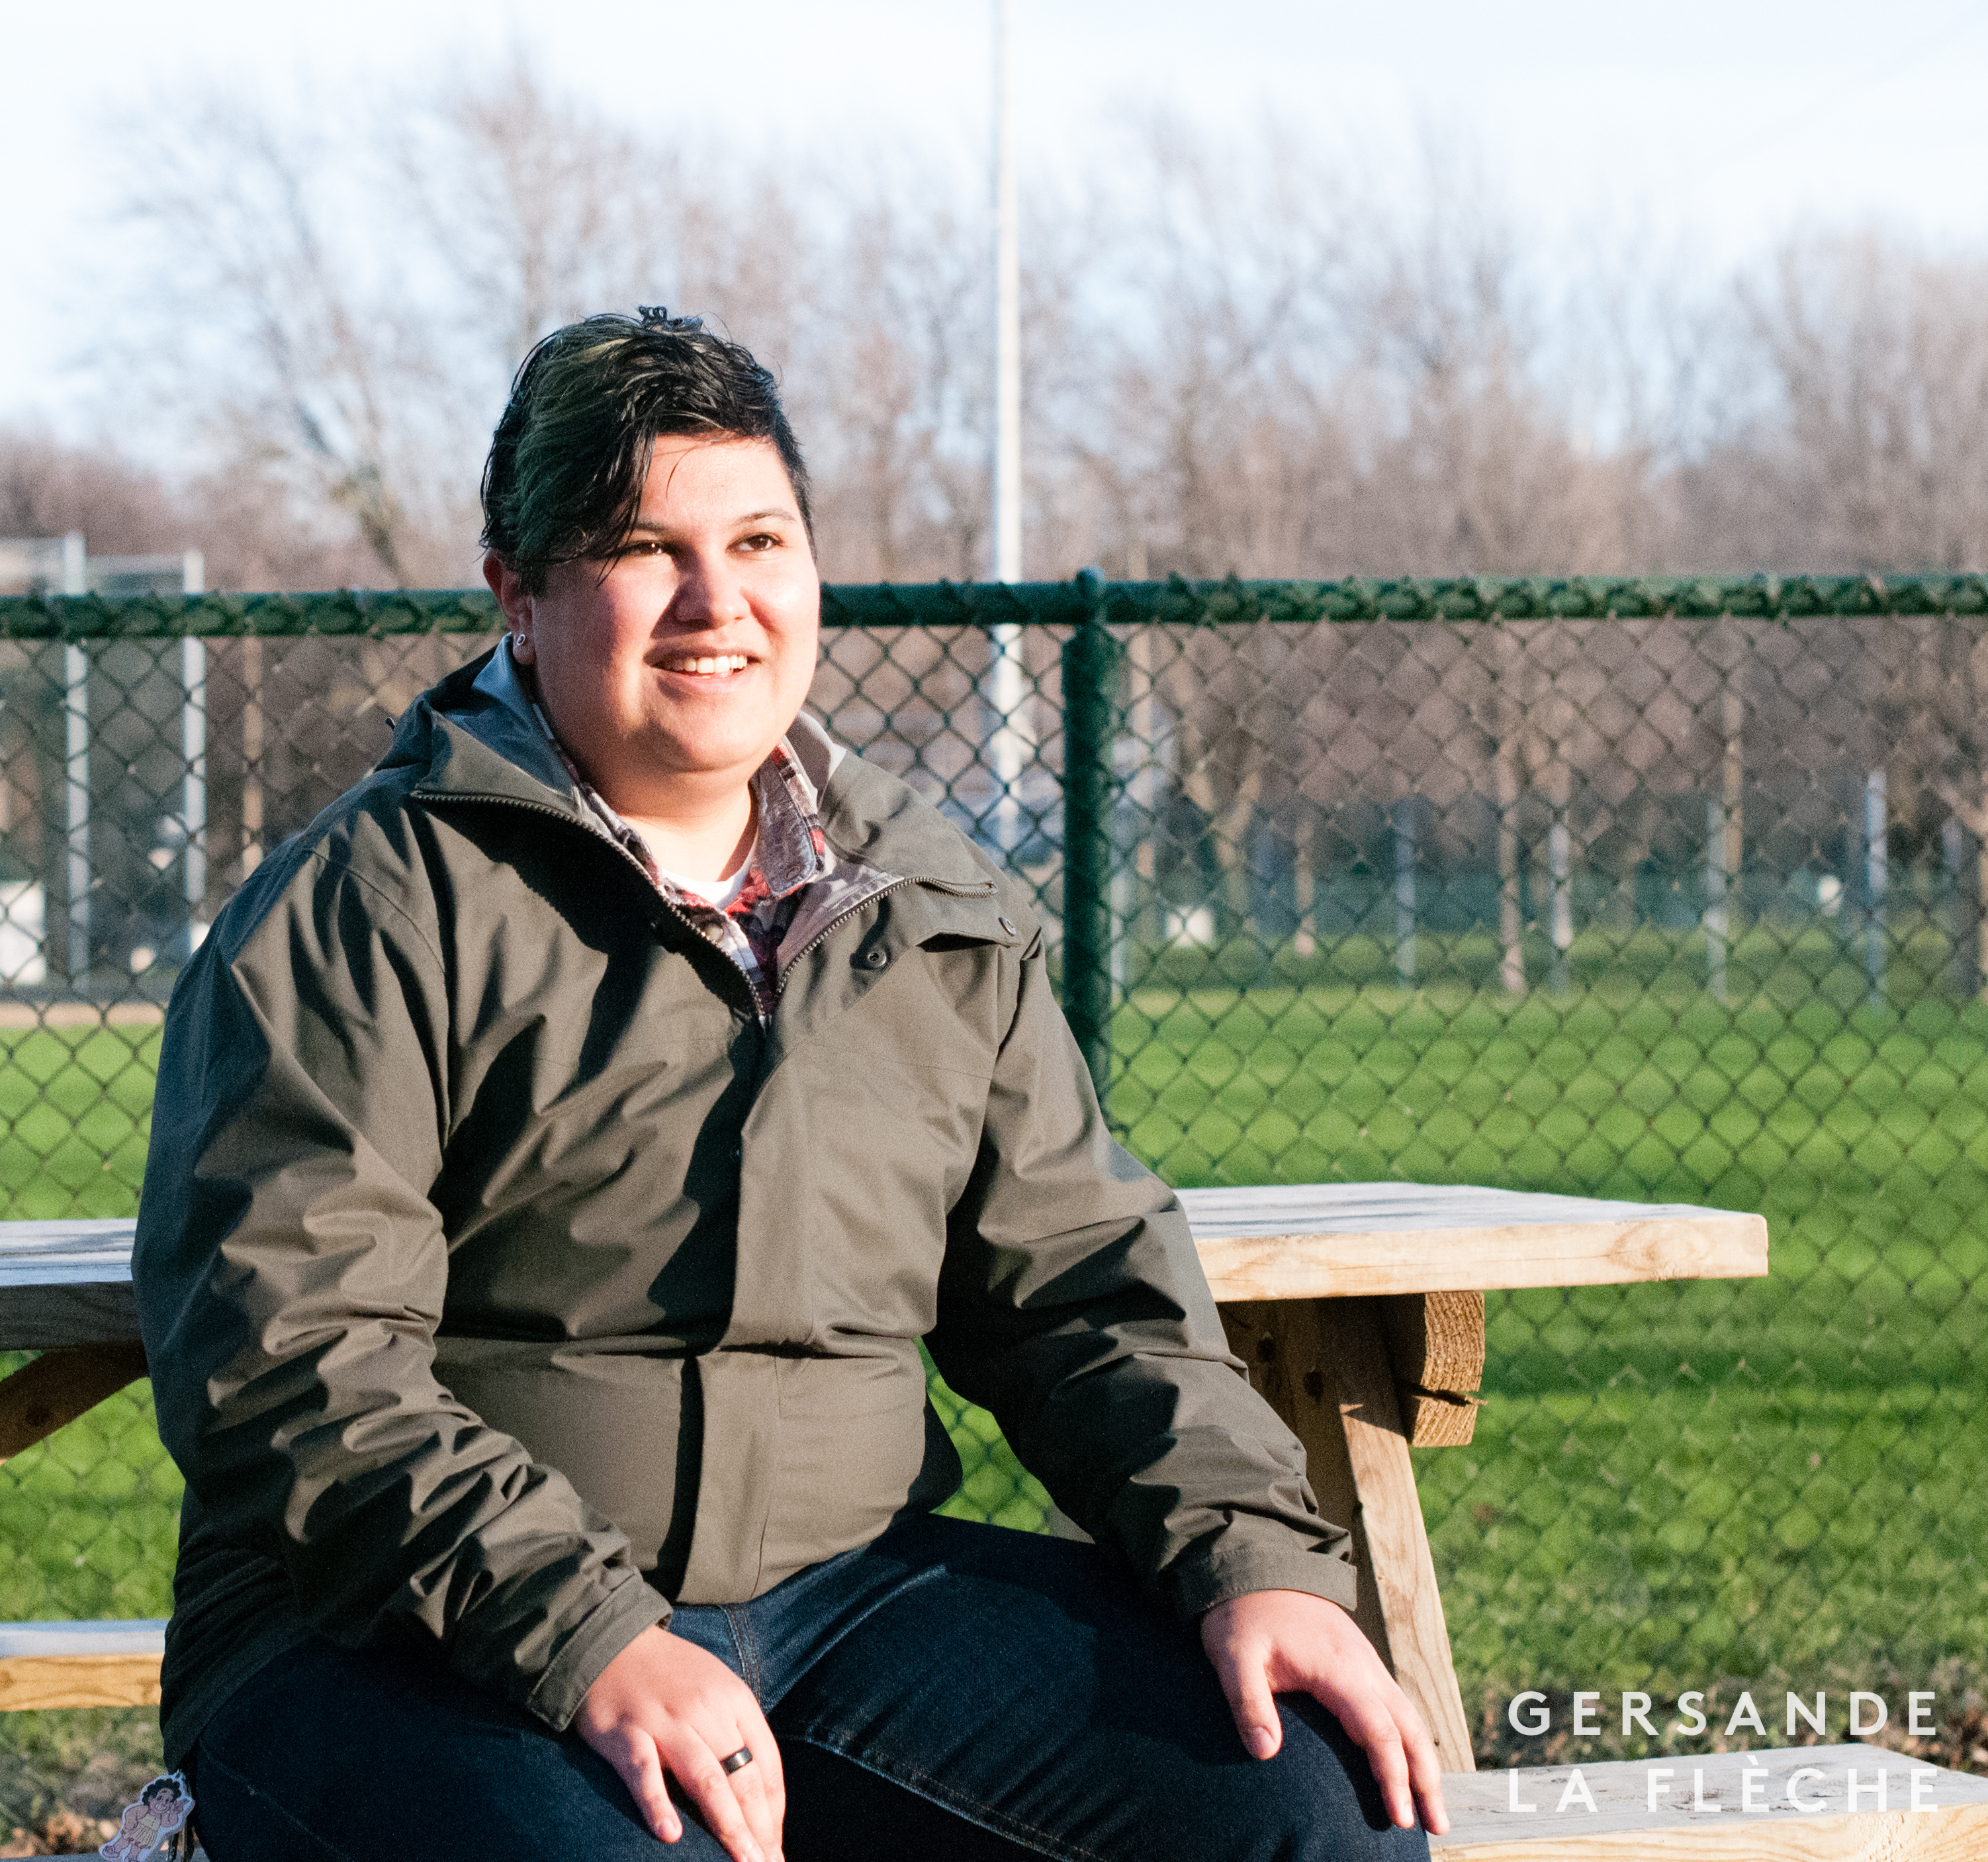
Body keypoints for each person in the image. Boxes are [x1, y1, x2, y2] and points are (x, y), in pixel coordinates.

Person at [132, 308, 1447, 1860]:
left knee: (1315, 1820)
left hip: (851, 1600)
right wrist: (589, 1636)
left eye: (760, 539)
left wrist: (1255, 1562)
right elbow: (297, 1366)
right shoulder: (370, 906)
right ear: (517, 595)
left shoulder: (929, 902)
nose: (719, 602)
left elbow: (1084, 1293)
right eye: (643, 548)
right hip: (409, 1641)